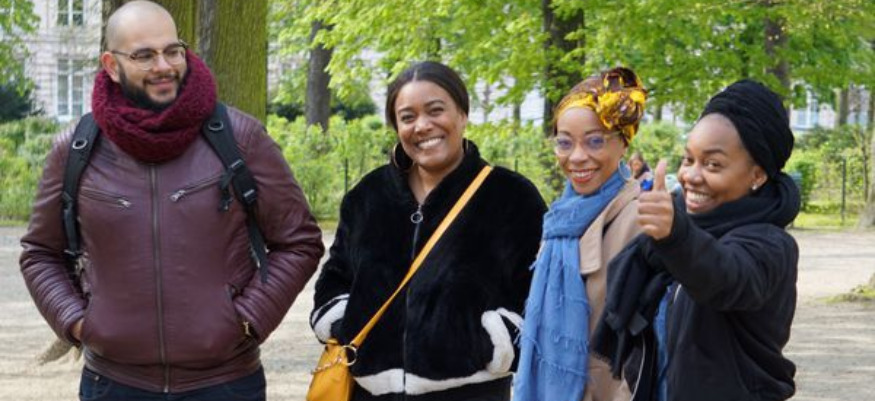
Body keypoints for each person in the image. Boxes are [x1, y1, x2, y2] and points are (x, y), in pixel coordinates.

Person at [19, 1, 324, 400]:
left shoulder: (240, 138)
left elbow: (298, 241)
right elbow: (40, 252)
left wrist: (248, 320)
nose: (164, 66)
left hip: (225, 383)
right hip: (112, 384)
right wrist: (78, 323)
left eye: (173, 50)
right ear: (111, 65)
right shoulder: (76, 149)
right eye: (144, 55)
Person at [309, 61, 547, 400]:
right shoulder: (367, 196)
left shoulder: (511, 196)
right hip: (369, 394)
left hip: (470, 394)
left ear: (462, 114)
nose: (422, 126)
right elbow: (334, 279)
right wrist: (347, 325)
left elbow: (540, 296)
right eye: (407, 117)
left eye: (436, 110)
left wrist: (492, 342)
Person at [593, 79, 800, 401]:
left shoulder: (770, 245)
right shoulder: (678, 239)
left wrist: (675, 236)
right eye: (688, 159)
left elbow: (723, 278)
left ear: (757, 175)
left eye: (713, 164)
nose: (690, 176)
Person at [512, 67, 648, 401]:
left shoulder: (641, 219)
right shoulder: (560, 220)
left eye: (595, 141)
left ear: (623, 144)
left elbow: (652, 344)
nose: (576, 157)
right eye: (564, 142)